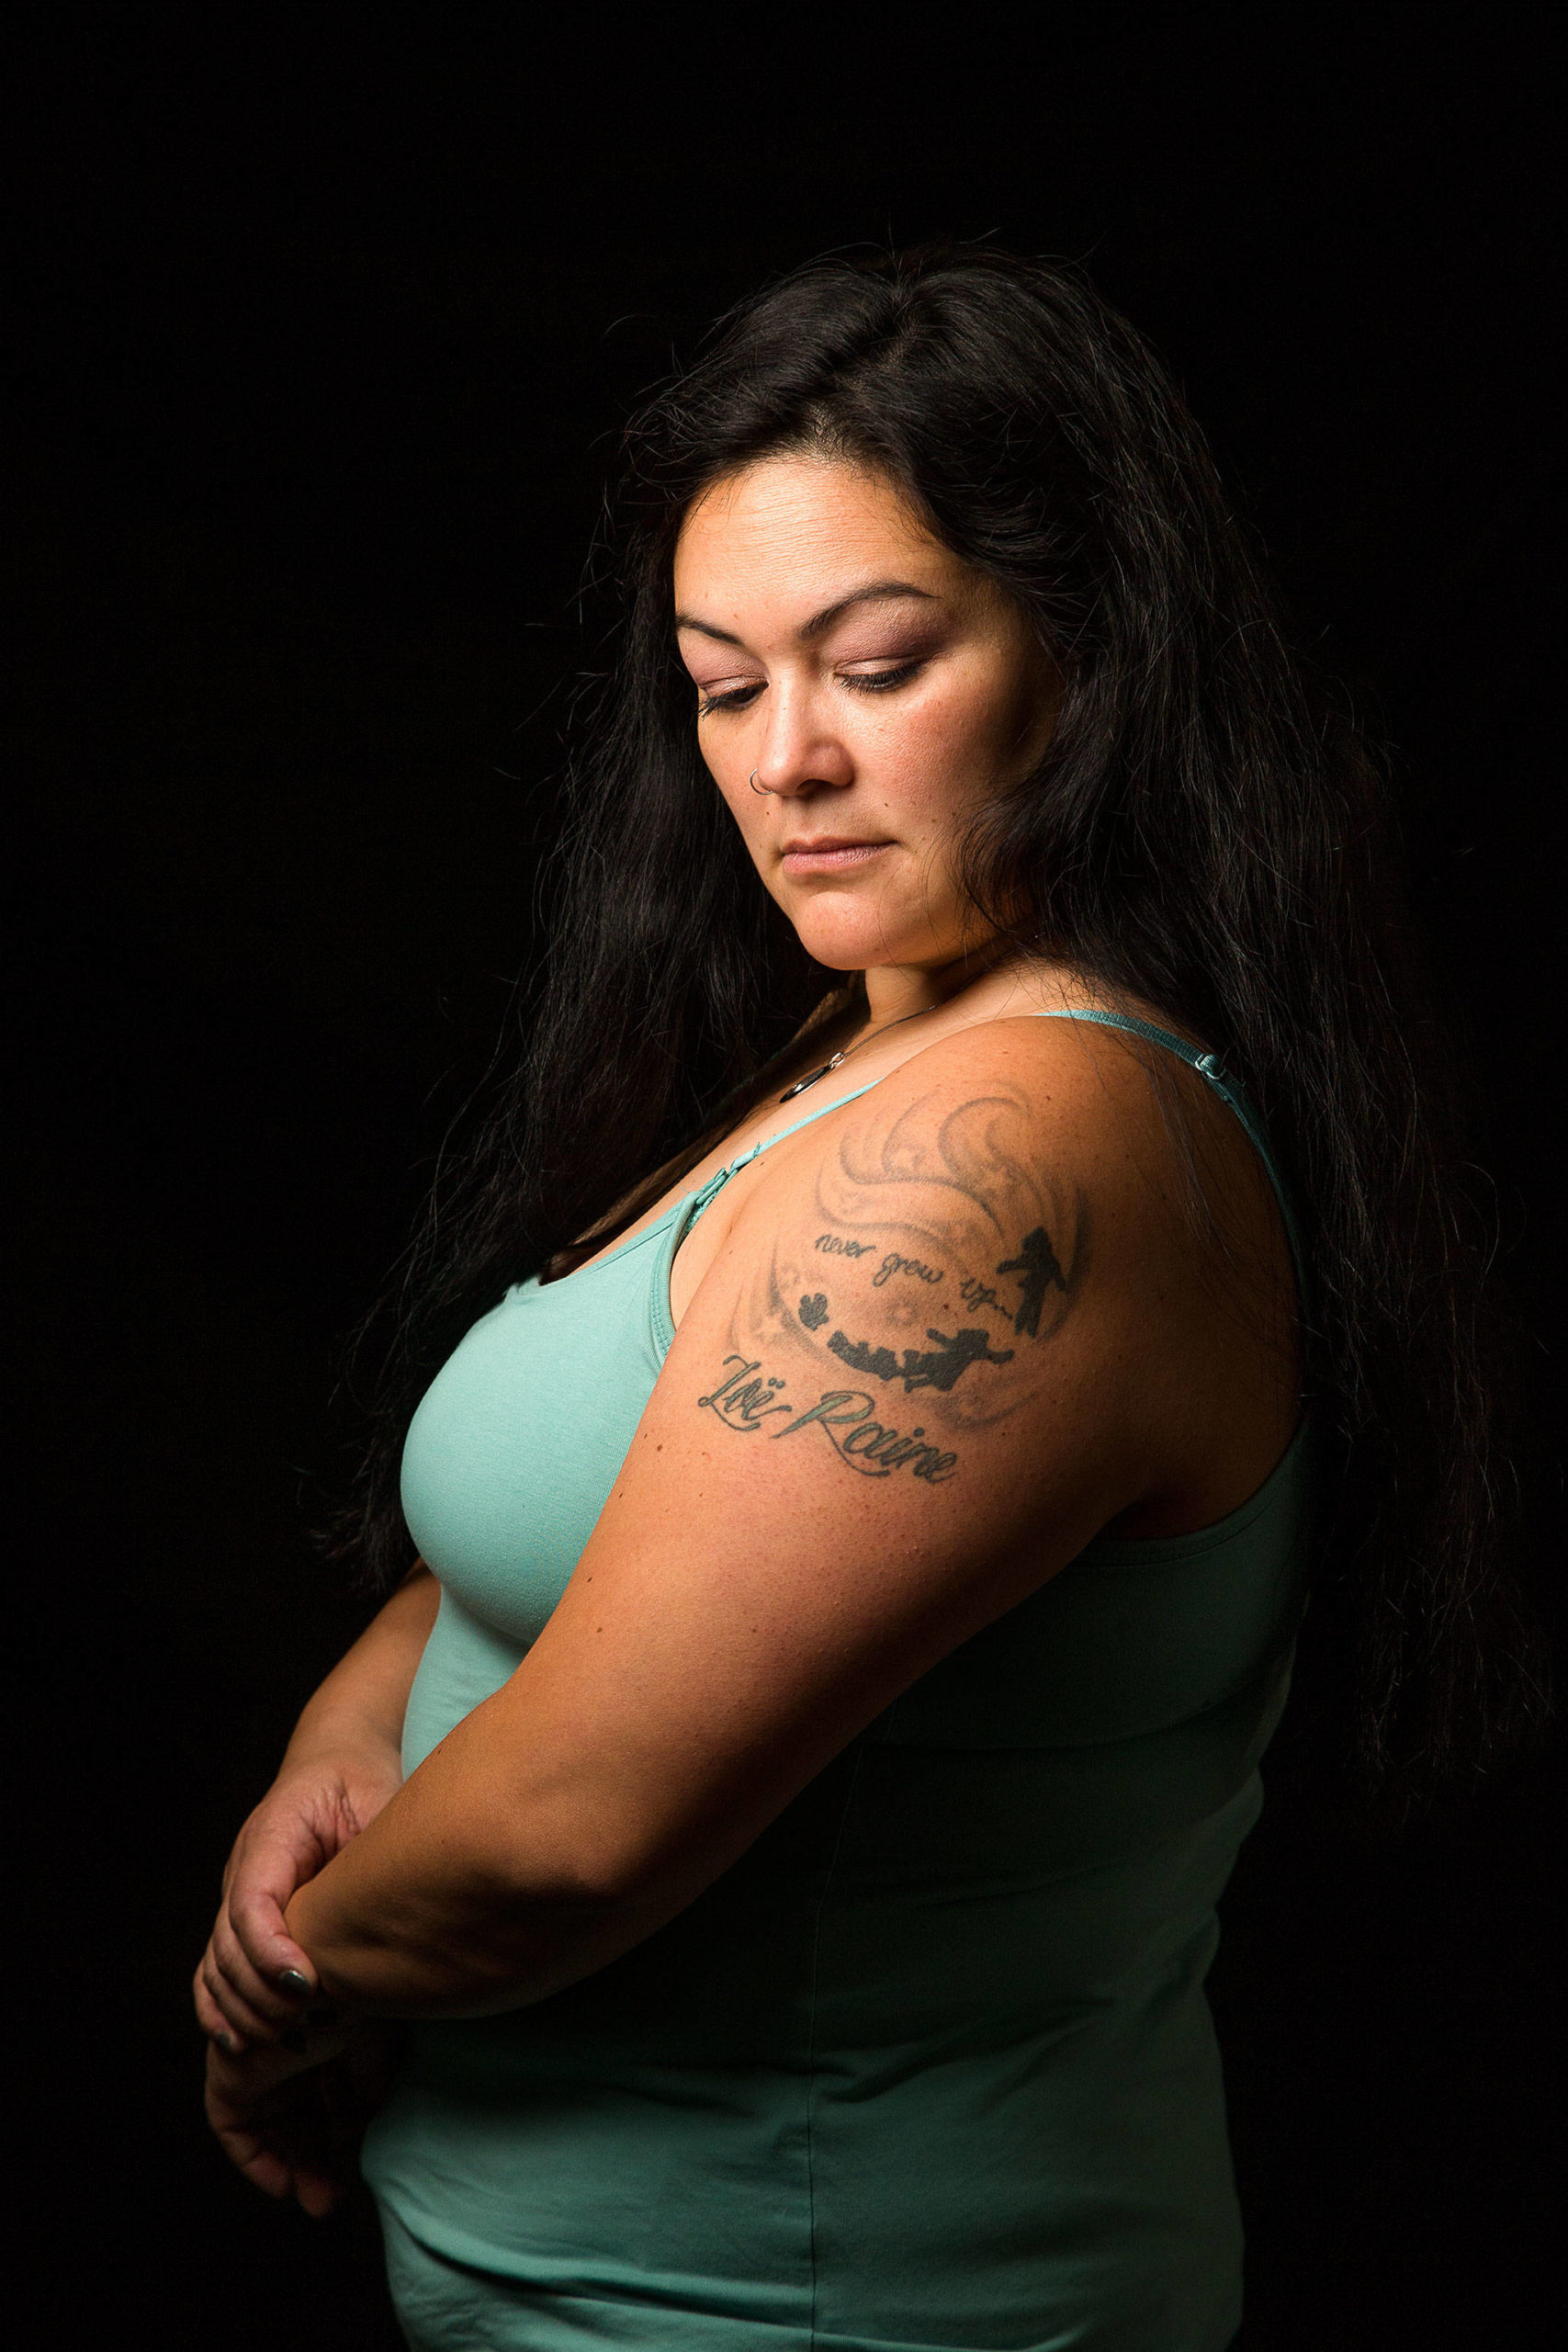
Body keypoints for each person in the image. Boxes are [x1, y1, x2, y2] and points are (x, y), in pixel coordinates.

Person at [192, 248, 1547, 2350]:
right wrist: (336, 1740)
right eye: (723, 684)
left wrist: (284, 1985)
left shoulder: (1022, 1139)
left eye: (876, 660)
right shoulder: (858, 1046)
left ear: (1086, 652)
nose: (784, 759)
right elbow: (577, 1531)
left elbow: (561, 1833)